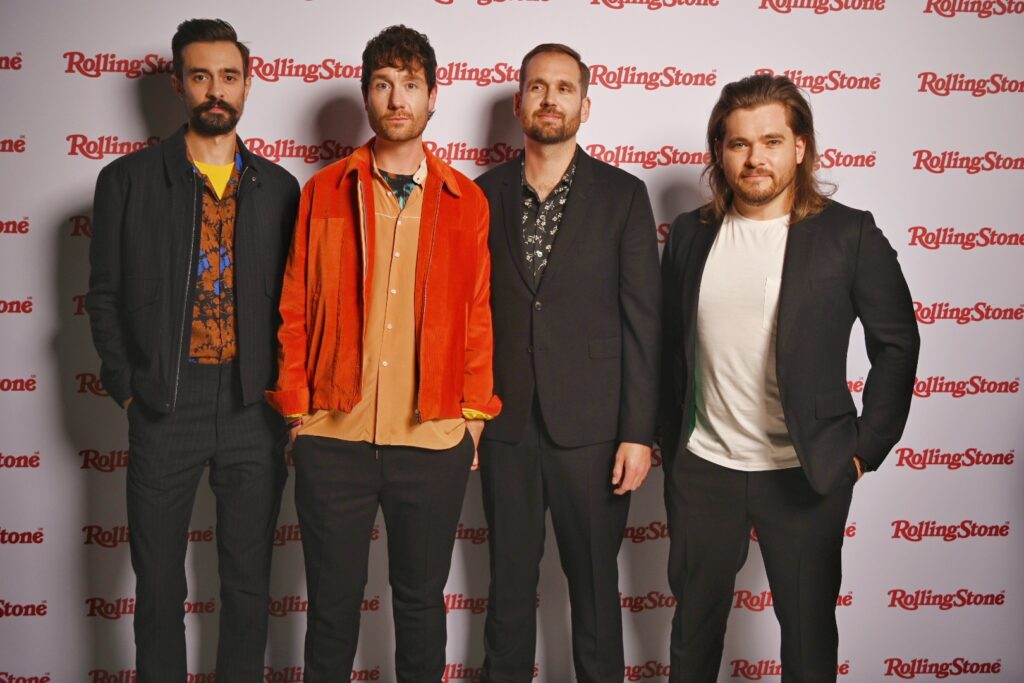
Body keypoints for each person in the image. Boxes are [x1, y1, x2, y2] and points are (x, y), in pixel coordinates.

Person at [659, 73, 920, 682]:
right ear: (719, 152)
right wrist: (666, 438)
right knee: (692, 636)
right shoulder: (691, 235)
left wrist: (863, 451)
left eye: (771, 141)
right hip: (704, 470)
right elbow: (669, 348)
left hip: (807, 473)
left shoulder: (848, 233)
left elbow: (897, 344)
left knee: (806, 641)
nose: (755, 159)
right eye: (739, 144)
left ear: (800, 147)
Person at [264, 25, 501, 683]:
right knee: (332, 610)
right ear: (367, 95)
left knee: (422, 605)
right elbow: (294, 308)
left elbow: (478, 315)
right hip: (332, 437)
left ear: (432, 97)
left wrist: (474, 416)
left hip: (430, 438)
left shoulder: (466, 201)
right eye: (383, 84)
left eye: (411, 85)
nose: (397, 98)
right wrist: (296, 414)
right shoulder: (324, 191)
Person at [86, 18, 299, 681]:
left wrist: (283, 396)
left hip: (251, 408)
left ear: (248, 82)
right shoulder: (126, 181)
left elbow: (296, 309)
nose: (216, 90)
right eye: (200, 75)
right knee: (157, 590)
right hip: (164, 404)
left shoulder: (280, 189)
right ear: (177, 82)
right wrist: (129, 385)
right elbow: (103, 297)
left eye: (228, 76)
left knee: (245, 585)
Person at [474, 43, 661, 683]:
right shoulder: (480, 194)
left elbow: (645, 321)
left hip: (596, 431)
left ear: (585, 103)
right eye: (536, 86)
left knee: (595, 596)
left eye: (563, 87)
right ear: (519, 101)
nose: (549, 98)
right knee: (506, 590)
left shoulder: (624, 195)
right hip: (506, 426)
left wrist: (638, 432)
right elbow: (469, 317)